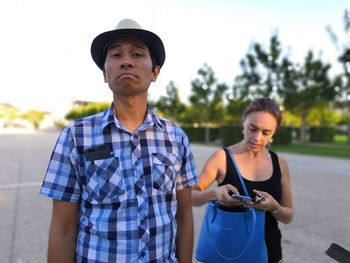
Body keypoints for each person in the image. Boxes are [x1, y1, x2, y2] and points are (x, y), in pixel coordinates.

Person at [40, 18, 197, 263]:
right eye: (116, 55)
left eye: (137, 54)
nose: (126, 60)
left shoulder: (176, 138)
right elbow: (63, 226)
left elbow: (185, 216)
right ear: (105, 73)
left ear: (155, 72)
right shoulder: (76, 136)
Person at [192, 98, 293, 263]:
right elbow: (190, 196)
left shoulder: (280, 163)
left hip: (270, 254)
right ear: (243, 124)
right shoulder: (221, 158)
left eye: (266, 132)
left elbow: (288, 215)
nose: (257, 137)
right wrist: (214, 194)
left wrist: (274, 206)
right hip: (228, 253)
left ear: (274, 133)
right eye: (252, 128)